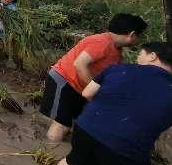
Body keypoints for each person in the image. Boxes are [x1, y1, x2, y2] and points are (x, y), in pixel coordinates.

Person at [55, 42, 172, 165]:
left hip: (87, 129)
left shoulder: (118, 69)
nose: (138, 58)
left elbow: (87, 93)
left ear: (153, 56)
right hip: (127, 151)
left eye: (140, 54)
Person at [40, 13, 147, 141]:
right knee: (61, 124)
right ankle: (50, 148)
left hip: (79, 87)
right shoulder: (102, 42)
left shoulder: (116, 52)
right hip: (63, 80)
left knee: (72, 123)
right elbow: (79, 64)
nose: (139, 40)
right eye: (139, 36)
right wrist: (94, 90)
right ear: (132, 34)